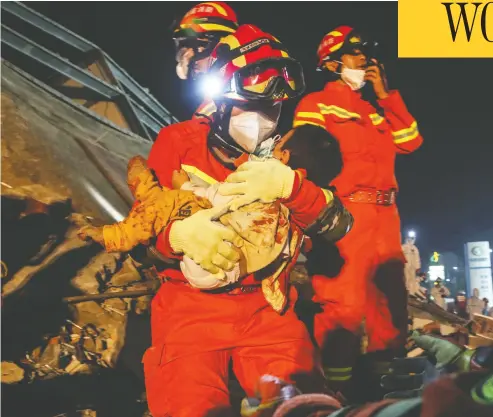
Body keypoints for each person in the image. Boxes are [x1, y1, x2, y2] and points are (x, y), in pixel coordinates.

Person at [143, 25, 351, 417]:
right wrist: (178, 236)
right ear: (220, 103)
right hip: (191, 312)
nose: (262, 121)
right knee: (188, 406)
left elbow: (337, 226)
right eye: (249, 108)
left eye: (271, 110)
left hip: (268, 311)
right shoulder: (179, 142)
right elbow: (145, 229)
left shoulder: (287, 157)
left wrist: (291, 187)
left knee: (305, 405)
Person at [278, 25, 423, 395]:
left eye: (366, 54)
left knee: (390, 308)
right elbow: (305, 153)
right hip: (347, 217)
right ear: (331, 62)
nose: (366, 61)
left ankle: (385, 389)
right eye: (355, 54)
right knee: (342, 308)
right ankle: (335, 393)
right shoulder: (315, 104)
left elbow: (411, 142)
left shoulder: (376, 110)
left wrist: (386, 95)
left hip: (386, 218)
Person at [172, 2, 238, 118]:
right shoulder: (208, 102)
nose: (188, 56)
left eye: (199, 46)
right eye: (186, 46)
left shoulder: (245, 92)